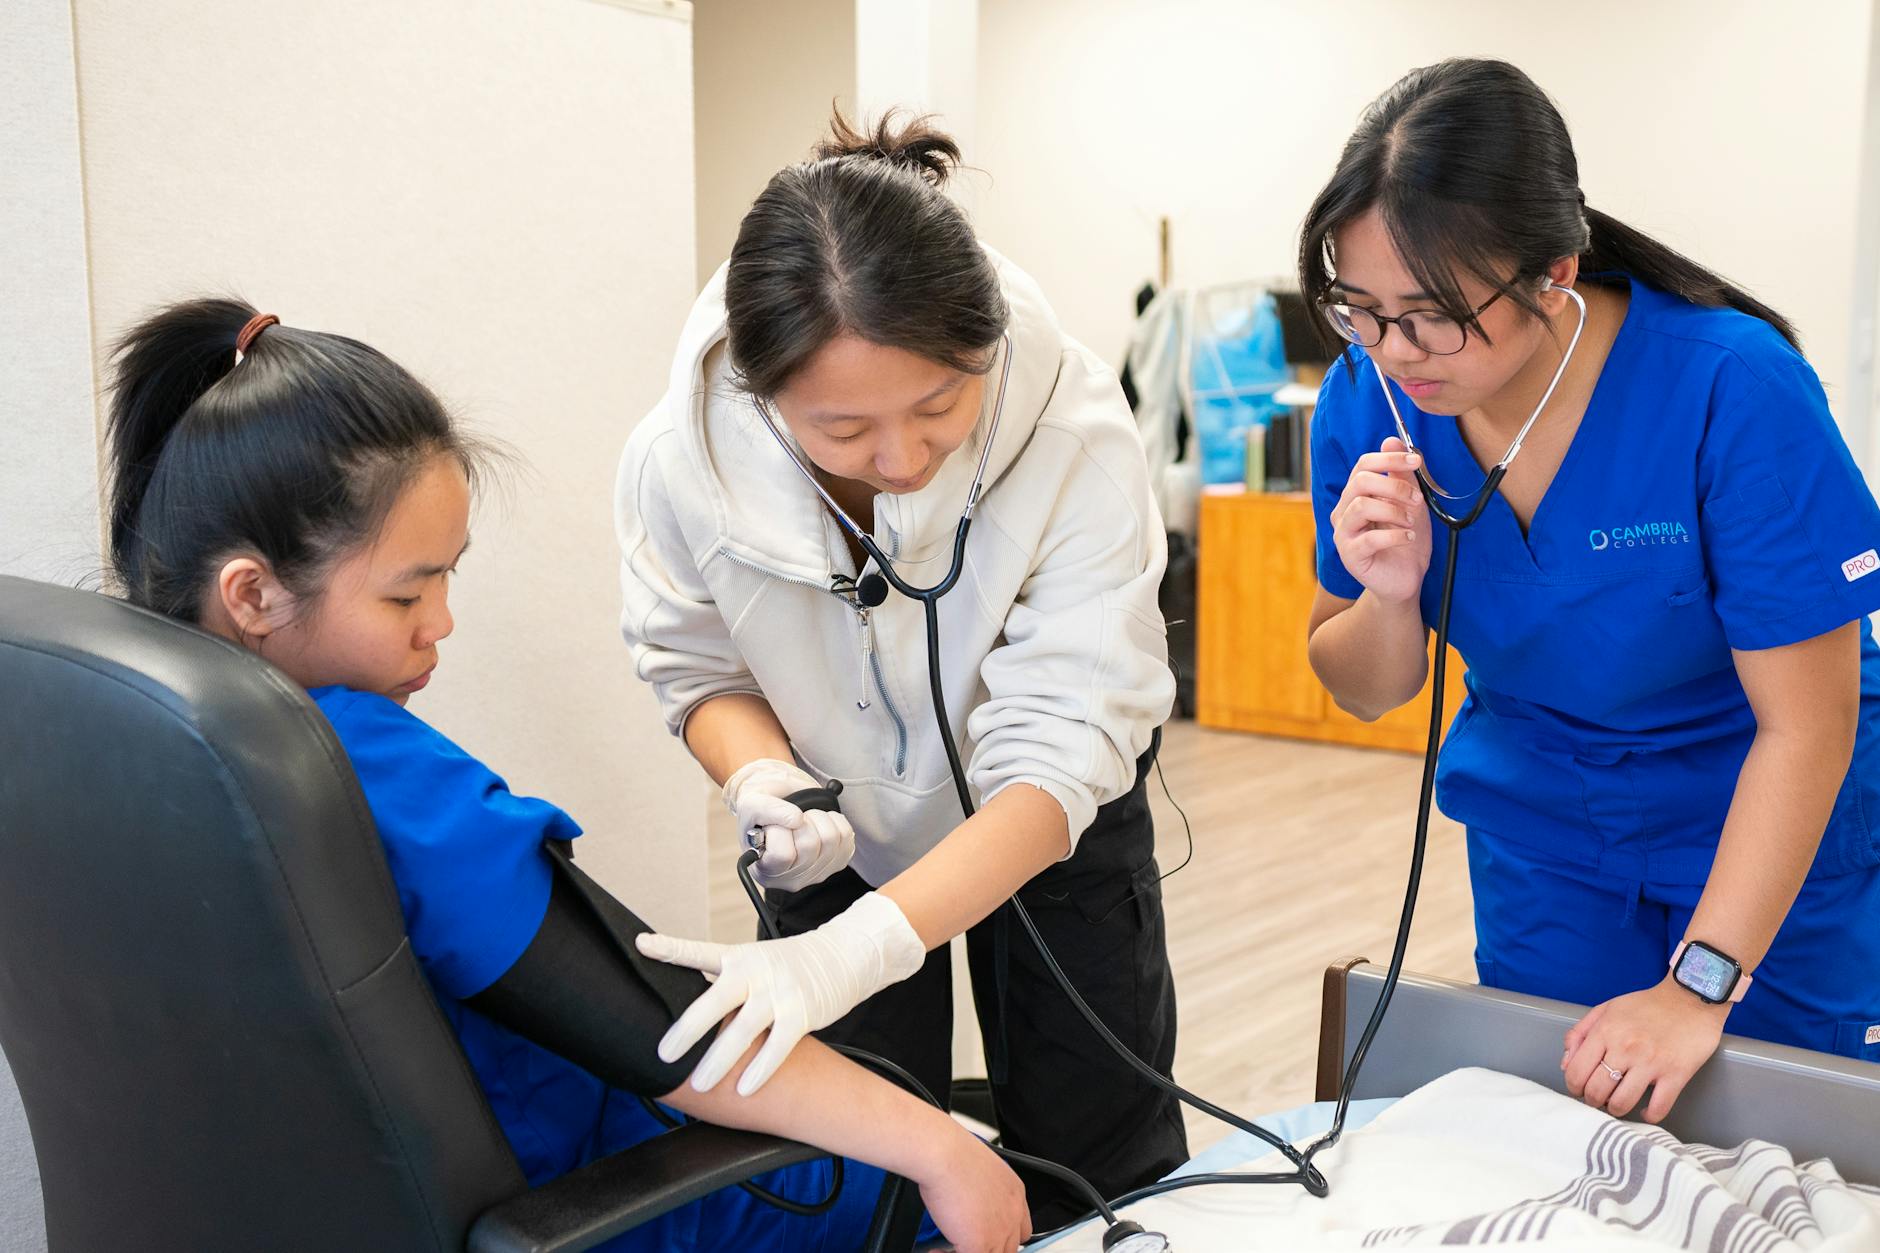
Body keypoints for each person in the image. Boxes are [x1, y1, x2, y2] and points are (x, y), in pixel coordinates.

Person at [102, 296, 1029, 1253]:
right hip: (596, 1195)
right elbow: (663, 1028)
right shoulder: (357, 762)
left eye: (448, 579)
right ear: (252, 593)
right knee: (943, 1183)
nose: (441, 624)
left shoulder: (122, 716)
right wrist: (939, 1150)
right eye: (407, 592)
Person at [616, 111, 1184, 1224]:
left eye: (937, 407)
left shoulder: (1069, 429)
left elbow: (1065, 745)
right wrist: (761, 780)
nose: (900, 458)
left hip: (1041, 811)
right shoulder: (682, 457)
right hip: (827, 820)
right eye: (842, 429)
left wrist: (869, 943)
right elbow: (693, 667)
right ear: (762, 393)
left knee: (1097, 1144)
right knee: (861, 1167)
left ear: (982, 347)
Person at [1302, 59, 1880, 1123]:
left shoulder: (1726, 389)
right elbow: (1363, 685)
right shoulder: (1368, 399)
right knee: (1559, 1143)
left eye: (1428, 315)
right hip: (1546, 831)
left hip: (1757, 824)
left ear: (1551, 271)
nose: (1392, 350)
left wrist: (1696, 983)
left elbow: (1805, 726)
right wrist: (1387, 596)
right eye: (1358, 310)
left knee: (1791, 1155)